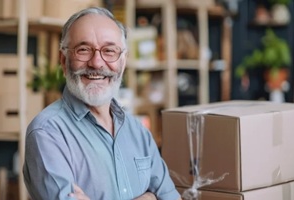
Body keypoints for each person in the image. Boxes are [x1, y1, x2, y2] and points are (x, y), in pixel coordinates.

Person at [23, 7, 181, 200]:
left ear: (122, 62)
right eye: (83, 50)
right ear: (64, 61)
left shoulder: (138, 132)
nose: (97, 63)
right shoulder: (47, 133)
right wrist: (148, 197)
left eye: (109, 51)